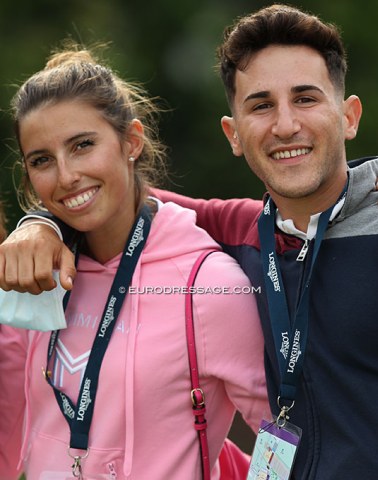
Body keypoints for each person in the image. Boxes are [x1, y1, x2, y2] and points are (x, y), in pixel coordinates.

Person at [2, 4, 378, 479]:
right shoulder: (245, 234)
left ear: (348, 116)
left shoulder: (216, 279)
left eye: (305, 98)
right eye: (261, 105)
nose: (284, 125)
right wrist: (41, 222)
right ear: (234, 133)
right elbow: (110, 199)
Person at [0, 44, 269, 479]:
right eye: (42, 160)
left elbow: (287, 435)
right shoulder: (37, 274)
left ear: (132, 142)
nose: (66, 175)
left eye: (83, 145)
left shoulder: (208, 284)